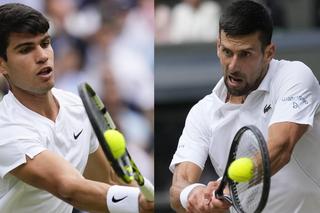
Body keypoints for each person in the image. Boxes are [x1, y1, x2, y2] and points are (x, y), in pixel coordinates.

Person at [0, 3, 153, 213]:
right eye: (26, 49)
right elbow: (68, 188)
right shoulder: (6, 129)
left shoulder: (77, 107)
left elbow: (108, 180)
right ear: (2, 64)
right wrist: (137, 202)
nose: (42, 56)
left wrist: (142, 201)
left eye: (45, 43)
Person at [169, 0, 320, 213]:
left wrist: (228, 187)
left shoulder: (294, 76)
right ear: (218, 48)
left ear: (269, 53)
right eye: (227, 52)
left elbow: (279, 149)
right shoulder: (202, 113)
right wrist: (192, 194)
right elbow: (178, 186)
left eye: (245, 54)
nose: (233, 66)